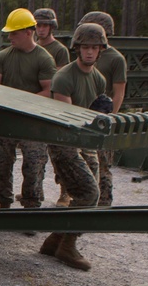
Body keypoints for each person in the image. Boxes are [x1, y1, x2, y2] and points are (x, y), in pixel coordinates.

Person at [41, 23, 111, 271]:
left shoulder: (98, 79)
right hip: (64, 142)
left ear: (101, 50)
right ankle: (67, 247)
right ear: (77, 49)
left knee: (93, 193)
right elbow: (68, 120)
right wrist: (94, 114)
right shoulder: (64, 77)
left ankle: (55, 240)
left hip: (85, 142)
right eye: (85, 47)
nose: (90, 52)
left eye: (94, 47)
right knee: (88, 192)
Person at [0, 8, 57, 210]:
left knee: (33, 165)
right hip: (6, 119)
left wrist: (21, 103)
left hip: (32, 122)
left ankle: (31, 207)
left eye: (14, 33)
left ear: (29, 32)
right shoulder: (3, 56)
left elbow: (49, 91)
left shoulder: (43, 58)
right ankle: (4, 204)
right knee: (0, 163)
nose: (10, 37)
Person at [79, 11, 127, 206]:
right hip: (84, 116)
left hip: (104, 117)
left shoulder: (116, 59)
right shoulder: (84, 54)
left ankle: (104, 202)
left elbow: (119, 93)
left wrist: (109, 120)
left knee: (103, 164)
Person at [34, 7, 74, 207]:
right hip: (35, 105)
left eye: (45, 25)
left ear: (51, 27)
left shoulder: (59, 50)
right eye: (38, 25)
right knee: (37, 156)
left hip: (52, 105)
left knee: (60, 154)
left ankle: (66, 191)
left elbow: (58, 79)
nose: (41, 29)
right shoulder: (31, 47)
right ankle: (35, 191)